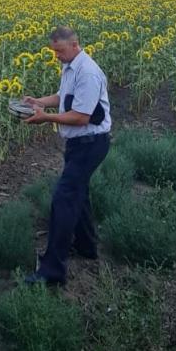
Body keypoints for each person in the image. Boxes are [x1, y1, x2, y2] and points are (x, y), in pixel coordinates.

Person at [22, 26, 111, 286]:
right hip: (79, 144)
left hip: (90, 144)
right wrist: (38, 102)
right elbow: (64, 98)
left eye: (59, 51)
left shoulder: (88, 72)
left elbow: (81, 117)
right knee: (78, 195)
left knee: (64, 199)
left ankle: (52, 271)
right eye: (54, 51)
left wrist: (44, 118)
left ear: (75, 44)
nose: (56, 56)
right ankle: (86, 246)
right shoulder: (71, 66)